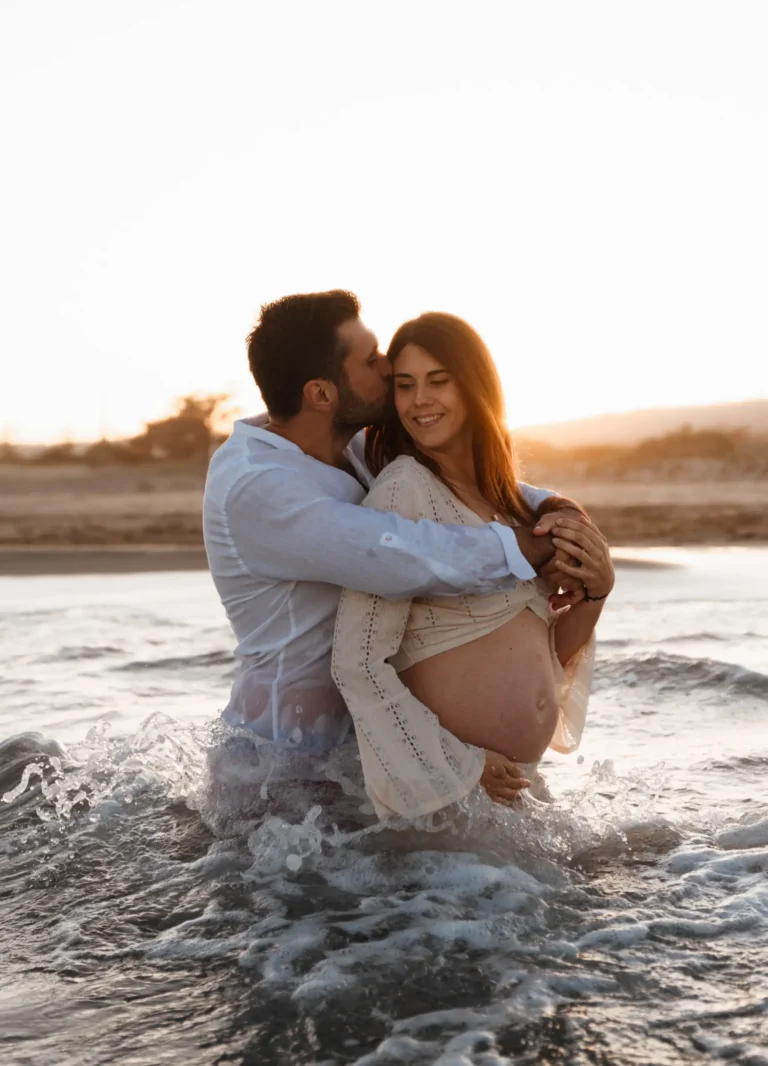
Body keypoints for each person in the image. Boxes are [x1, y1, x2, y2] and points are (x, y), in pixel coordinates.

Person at [203, 291, 589, 805]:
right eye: (370, 360)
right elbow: (395, 555)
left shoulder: (349, 446)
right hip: (282, 767)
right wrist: (529, 548)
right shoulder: (259, 487)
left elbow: (460, 479)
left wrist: (556, 509)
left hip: (362, 749)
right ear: (321, 394)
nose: (387, 369)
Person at [331, 313, 614, 820]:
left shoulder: (512, 506)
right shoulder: (404, 491)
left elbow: (545, 653)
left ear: (476, 385)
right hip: (449, 803)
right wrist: (459, 764)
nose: (420, 400)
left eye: (439, 381)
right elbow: (357, 663)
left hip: (514, 797)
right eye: (405, 385)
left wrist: (596, 593)